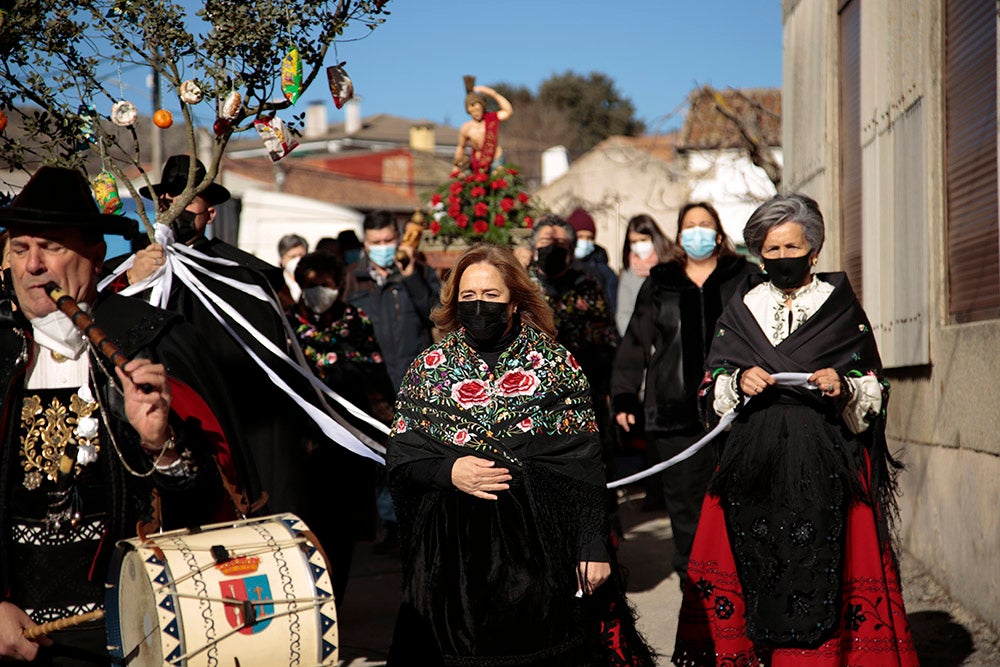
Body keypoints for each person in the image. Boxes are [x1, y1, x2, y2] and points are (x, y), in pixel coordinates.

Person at [0, 167, 246, 665]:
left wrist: (162, 446)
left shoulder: (152, 341)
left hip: (138, 627)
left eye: (51, 246)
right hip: (13, 635)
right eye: (20, 248)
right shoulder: (0, 353)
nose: (33, 266)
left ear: (95, 256)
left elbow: (213, 510)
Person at [671, 194, 917, 666]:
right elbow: (709, 386)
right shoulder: (742, 308)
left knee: (823, 576)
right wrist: (737, 382)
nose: (783, 258)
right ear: (759, 253)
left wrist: (843, 386)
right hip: (752, 467)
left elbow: (875, 388)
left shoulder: (841, 308)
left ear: (815, 250)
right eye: (772, 249)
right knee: (755, 572)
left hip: (827, 465)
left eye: (792, 247)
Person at [386, 244, 653, 667]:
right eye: (469, 296)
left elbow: (583, 462)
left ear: (514, 301)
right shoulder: (430, 367)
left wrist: (592, 545)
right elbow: (402, 458)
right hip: (452, 559)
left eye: (491, 296)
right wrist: (448, 470)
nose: (479, 306)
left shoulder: (554, 365)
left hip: (536, 549)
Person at [108, 155, 308, 516]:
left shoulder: (244, 276)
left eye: (188, 199)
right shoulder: (132, 269)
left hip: (230, 424)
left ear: (210, 213)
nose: (175, 206)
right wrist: (134, 281)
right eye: (167, 198)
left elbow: (265, 373)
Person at [612, 202, 756, 585]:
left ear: (720, 233)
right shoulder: (660, 281)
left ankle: (742, 580)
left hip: (739, 409)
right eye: (690, 226)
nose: (697, 232)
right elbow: (635, 342)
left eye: (705, 225)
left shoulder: (744, 276)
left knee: (740, 498)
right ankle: (696, 585)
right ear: (678, 236)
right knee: (685, 505)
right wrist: (625, 396)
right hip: (675, 411)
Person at [289, 252, 394, 603]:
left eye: (325, 284)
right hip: (302, 448)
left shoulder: (355, 320)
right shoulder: (288, 325)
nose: (318, 291)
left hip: (347, 446)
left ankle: (337, 603)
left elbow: (375, 374)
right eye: (310, 284)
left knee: (341, 532)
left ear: (339, 285)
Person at [344, 210, 441, 550]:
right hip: (373, 386)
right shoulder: (352, 279)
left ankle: (421, 524)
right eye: (376, 243)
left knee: (418, 455)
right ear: (365, 244)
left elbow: (439, 313)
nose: (384, 248)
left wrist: (413, 277)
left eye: (389, 240)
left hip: (416, 382)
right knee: (381, 459)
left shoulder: (420, 273)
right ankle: (390, 525)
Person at [615, 213, 676, 337]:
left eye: (643, 240)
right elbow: (624, 313)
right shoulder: (629, 272)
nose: (639, 246)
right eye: (633, 242)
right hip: (641, 342)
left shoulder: (673, 264)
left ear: (654, 238)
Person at [453, 78, 513, 174]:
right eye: (472, 111)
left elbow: (508, 111)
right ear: (468, 111)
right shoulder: (466, 128)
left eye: (477, 109)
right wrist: (456, 165)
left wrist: (492, 93)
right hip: (478, 164)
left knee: (498, 182)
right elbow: (461, 147)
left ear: (482, 107)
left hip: (496, 160)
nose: (476, 113)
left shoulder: (491, 119)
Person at [568, 207, 619, 313]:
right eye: (580, 236)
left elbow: (613, 307)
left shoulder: (605, 271)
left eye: (590, 238)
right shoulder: (560, 267)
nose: (585, 241)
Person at [276, 233, 308, 311]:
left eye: (301, 256)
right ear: (282, 260)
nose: (297, 260)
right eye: (292, 257)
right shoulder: (275, 285)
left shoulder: (314, 283)